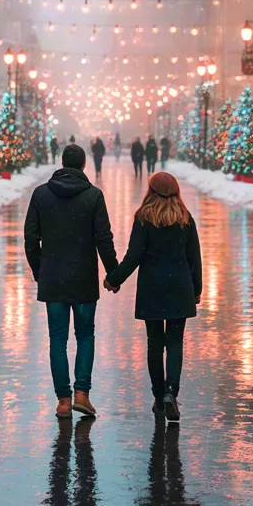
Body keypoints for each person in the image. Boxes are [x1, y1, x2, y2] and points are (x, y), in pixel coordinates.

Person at [24, 144, 118, 419]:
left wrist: (39, 269)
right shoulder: (93, 196)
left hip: (53, 279)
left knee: (57, 339)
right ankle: (82, 394)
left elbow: (31, 237)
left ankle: (63, 400)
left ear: (62, 163)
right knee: (85, 334)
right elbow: (104, 239)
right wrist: (112, 274)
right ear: (84, 166)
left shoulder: (41, 194)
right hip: (84, 278)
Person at [104, 172, 201, 422]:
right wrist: (196, 289)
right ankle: (171, 391)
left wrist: (114, 279)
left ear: (151, 191)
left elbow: (134, 256)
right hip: (180, 287)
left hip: (152, 288)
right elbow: (194, 258)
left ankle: (158, 397)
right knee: (176, 343)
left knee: (155, 343)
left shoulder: (144, 218)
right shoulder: (185, 218)